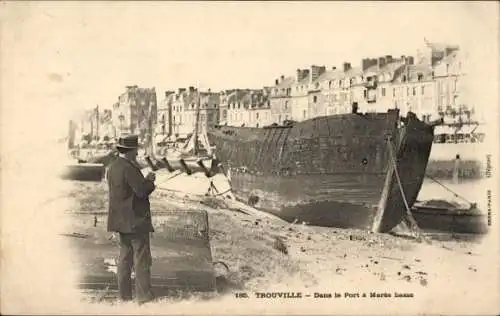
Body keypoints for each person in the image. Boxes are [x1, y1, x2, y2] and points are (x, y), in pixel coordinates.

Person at [106, 134, 156, 304]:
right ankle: (143, 299)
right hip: (135, 222)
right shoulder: (129, 168)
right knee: (142, 260)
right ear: (131, 150)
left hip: (120, 222)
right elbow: (141, 191)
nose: (137, 153)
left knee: (124, 259)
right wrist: (150, 180)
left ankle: (124, 297)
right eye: (136, 150)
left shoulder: (112, 167)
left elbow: (122, 194)